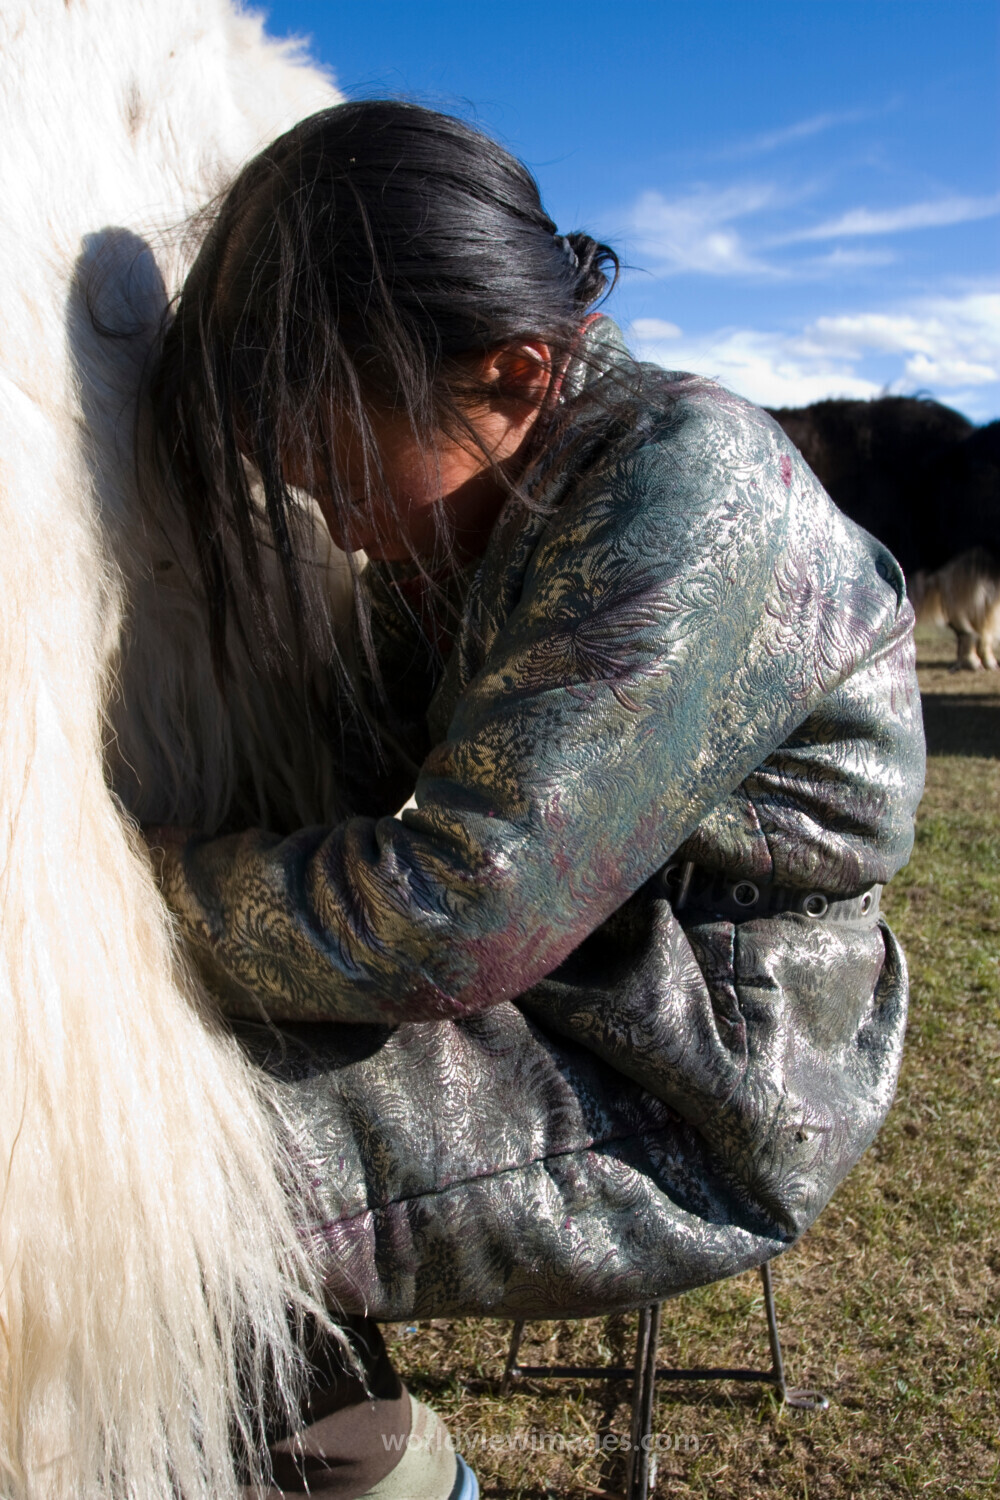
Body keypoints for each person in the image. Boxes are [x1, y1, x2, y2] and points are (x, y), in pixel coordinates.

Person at [145, 101, 925, 1500]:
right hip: (564, 1001)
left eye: (341, 467)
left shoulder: (693, 489)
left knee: (140, 1161)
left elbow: (454, 914)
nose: (336, 520)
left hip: (703, 1079)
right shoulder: (489, 511)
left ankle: (385, 1478)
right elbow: (371, 795)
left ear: (515, 370)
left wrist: (119, 898)